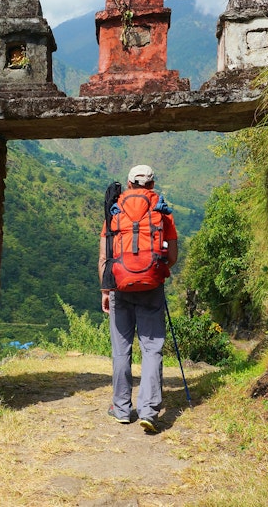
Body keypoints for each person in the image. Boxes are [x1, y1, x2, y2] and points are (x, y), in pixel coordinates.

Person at [99, 165, 178, 434]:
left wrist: (106, 291)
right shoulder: (162, 212)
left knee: (121, 351)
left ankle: (121, 409)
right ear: (152, 185)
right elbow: (173, 256)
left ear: (129, 184)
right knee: (152, 349)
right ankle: (149, 411)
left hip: (120, 286)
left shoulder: (114, 210)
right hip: (151, 287)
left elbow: (105, 256)